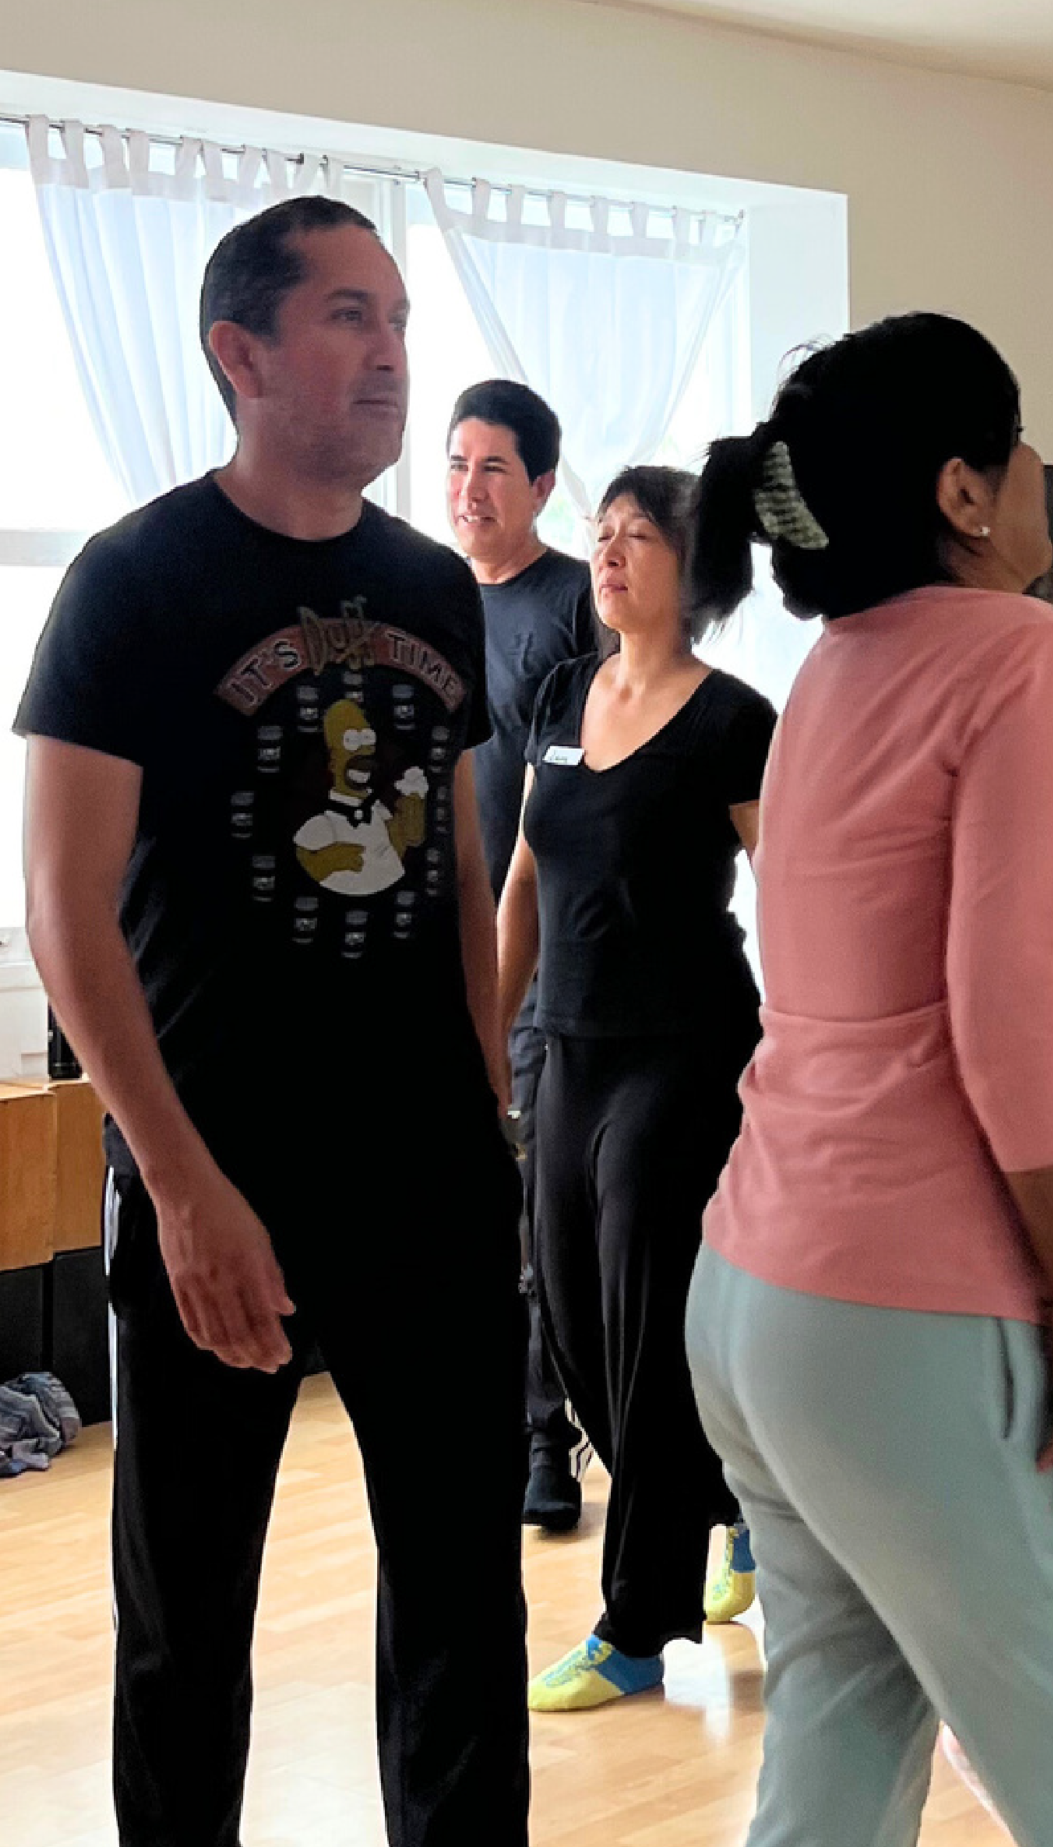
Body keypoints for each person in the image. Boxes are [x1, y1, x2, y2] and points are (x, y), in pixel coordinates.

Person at [17, 195, 526, 1847]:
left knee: (463, 1604)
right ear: (239, 353)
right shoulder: (132, 583)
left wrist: (488, 1115)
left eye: (398, 318)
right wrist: (179, 1185)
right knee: (187, 1620)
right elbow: (64, 911)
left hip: (428, 1172)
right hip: (216, 1172)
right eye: (346, 316)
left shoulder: (434, 588)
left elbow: (457, 868)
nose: (389, 355)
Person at [682, 312, 1053, 1847]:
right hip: (911, 1307)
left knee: (836, 1763)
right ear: (964, 490)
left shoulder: (831, 667)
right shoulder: (1022, 653)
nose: (1041, 468)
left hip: (757, 1295)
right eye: (1019, 442)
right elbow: (1010, 1013)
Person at [498, 464, 774, 1713]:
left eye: (638, 536)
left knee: (646, 1328)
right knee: (571, 1320)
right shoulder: (565, 691)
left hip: (685, 1052)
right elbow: (521, 884)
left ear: (692, 566)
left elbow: (794, 891)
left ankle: (636, 1624)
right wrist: (485, 1039)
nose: (607, 553)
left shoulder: (733, 720)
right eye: (600, 533)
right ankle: (739, 1502)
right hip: (568, 1048)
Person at [444, 379, 598, 1533]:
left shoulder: (577, 603)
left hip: (542, 956)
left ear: (541, 484)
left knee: (534, 1208)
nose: (468, 488)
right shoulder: (425, 599)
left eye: (492, 467)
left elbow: (584, 792)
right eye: (456, 464)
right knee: (456, 1207)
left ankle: (547, 1436)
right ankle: (474, 1421)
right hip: (434, 952)